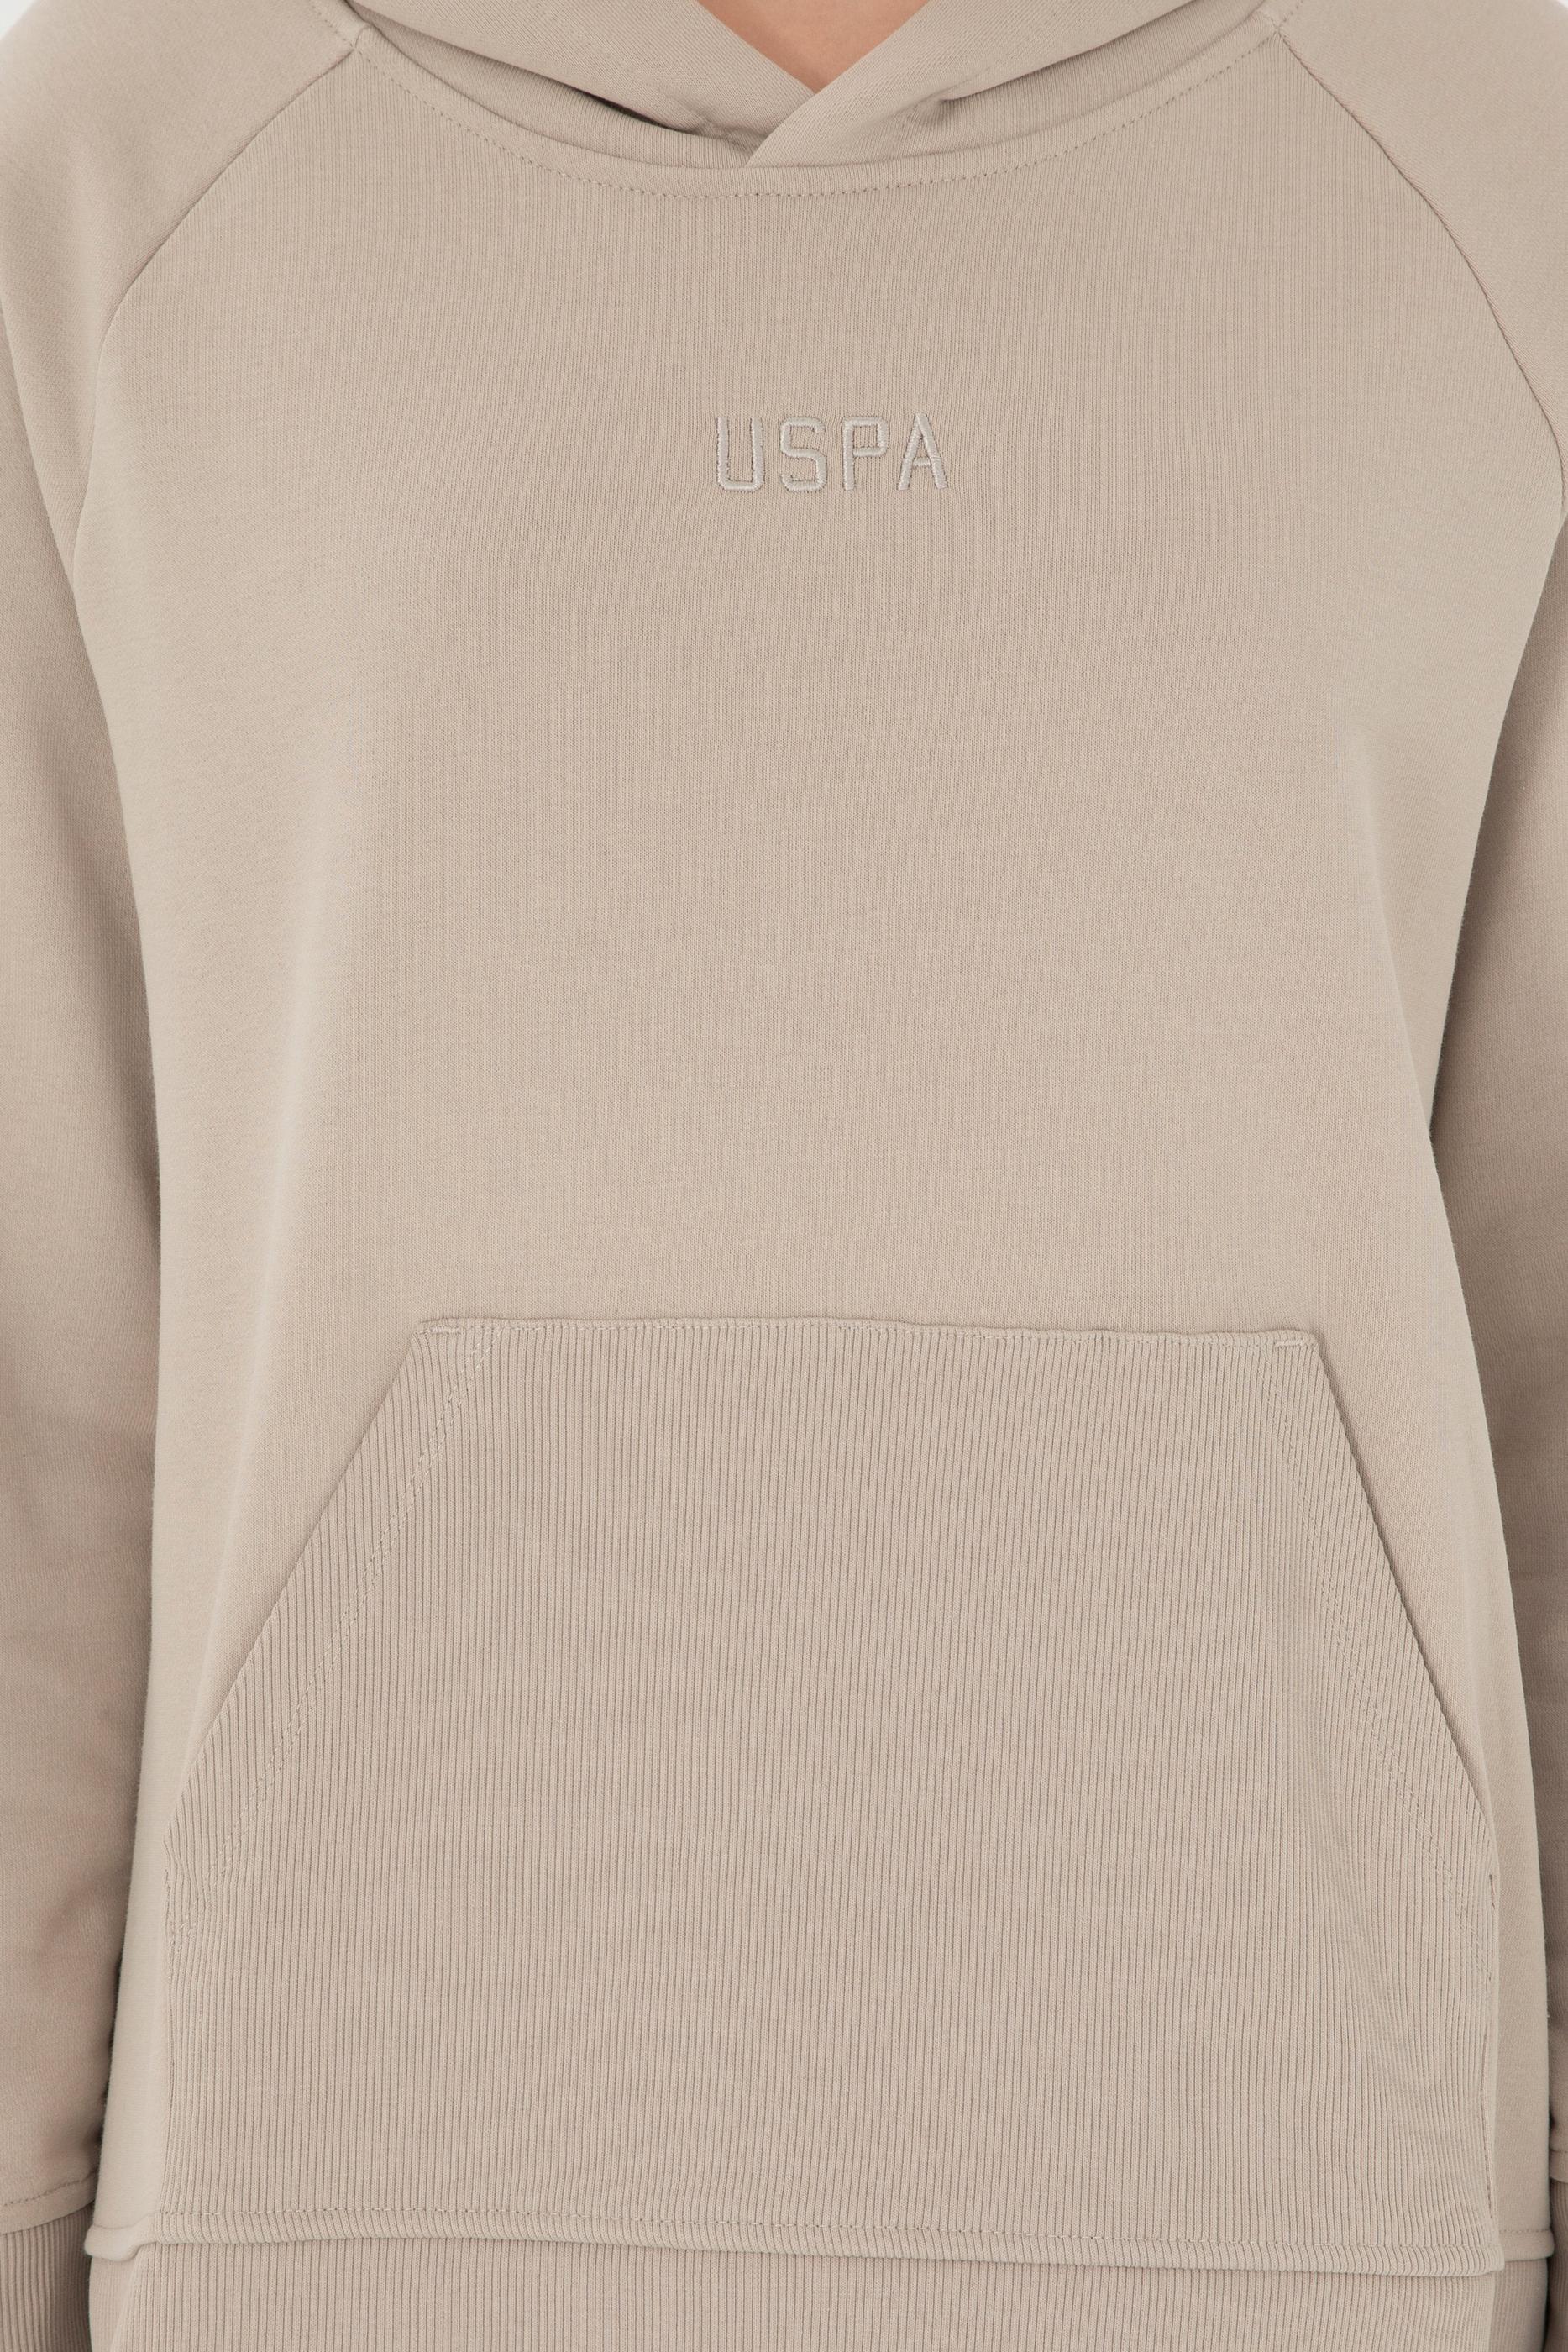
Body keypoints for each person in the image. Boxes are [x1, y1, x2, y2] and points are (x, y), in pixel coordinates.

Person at [2, 0, 1567, 2345]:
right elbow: (45, 1356)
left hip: (1299, 2194)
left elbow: (1544, 1301)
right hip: (339, 2172)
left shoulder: (1485, 146)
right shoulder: (131, 140)